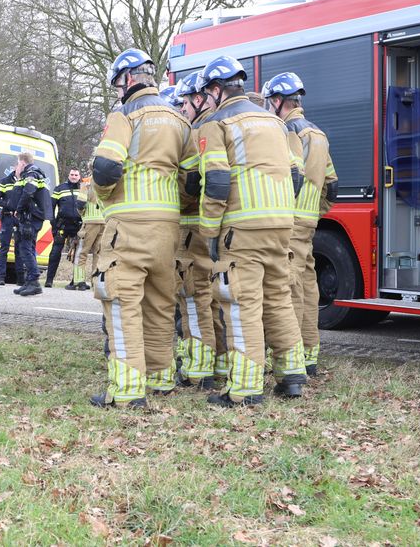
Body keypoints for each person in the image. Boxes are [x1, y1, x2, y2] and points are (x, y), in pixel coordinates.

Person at [192, 56, 307, 407]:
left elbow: (216, 180)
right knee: (278, 297)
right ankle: (291, 376)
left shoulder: (216, 123)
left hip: (241, 228)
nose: (205, 100)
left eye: (206, 93)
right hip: (281, 223)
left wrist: (209, 232)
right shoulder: (275, 122)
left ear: (216, 89)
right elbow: (296, 175)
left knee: (242, 303)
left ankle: (244, 389)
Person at [89, 47, 189, 408]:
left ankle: (128, 390)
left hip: (129, 226)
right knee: (161, 303)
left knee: (122, 303)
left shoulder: (124, 114)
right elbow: (193, 179)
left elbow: (105, 169)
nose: (118, 91)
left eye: (118, 84)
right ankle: (161, 379)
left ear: (128, 79)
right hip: (168, 228)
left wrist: (104, 196)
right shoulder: (179, 120)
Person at [263, 71, 338, 377]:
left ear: (279, 100)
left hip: (288, 221)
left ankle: (290, 360)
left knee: (288, 291)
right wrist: (314, 213)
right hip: (307, 223)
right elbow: (331, 185)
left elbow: (286, 176)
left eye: (270, 101)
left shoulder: (286, 131)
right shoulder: (318, 134)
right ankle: (308, 355)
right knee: (308, 288)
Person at [173, 72, 219, 389]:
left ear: (199, 99)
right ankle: (217, 364)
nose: (182, 109)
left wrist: (172, 200)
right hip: (212, 228)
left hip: (193, 227)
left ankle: (200, 370)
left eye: (185, 103)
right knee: (212, 299)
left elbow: (192, 183)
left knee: (194, 297)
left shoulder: (200, 130)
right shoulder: (220, 125)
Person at [12, 151, 50, 296]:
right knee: (29, 247)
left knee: (25, 248)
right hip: (32, 215)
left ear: (22, 163)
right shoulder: (34, 173)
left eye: (17, 164)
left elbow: (28, 192)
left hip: (30, 216)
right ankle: (29, 282)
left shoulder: (31, 174)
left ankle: (34, 280)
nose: (16, 167)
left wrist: (19, 209)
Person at [45, 169, 85, 288]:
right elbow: (51, 206)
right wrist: (53, 223)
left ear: (79, 176)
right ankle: (49, 280)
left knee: (78, 255)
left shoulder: (84, 189)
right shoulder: (60, 188)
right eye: (72, 174)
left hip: (78, 226)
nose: (73, 176)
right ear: (69, 175)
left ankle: (75, 281)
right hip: (62, 225)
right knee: (55, 253)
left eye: (76, 175)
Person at [0, 165, 25, 286]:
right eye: (20, 167)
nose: (22, 169)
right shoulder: (5, 181)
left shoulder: (25, 181)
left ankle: (20, 279)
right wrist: (7, 204)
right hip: (7, 217)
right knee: (4, 247)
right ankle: (1, 277)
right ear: (15, 168)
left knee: (19, 249)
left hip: (20, 218)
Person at [74, 173, 103, 292]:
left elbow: (81, 203)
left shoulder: (87, 182)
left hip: (90, 222)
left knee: (82, 253)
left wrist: (82, 213)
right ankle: (95, 282)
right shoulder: (107, 180)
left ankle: (79, 281)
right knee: (99, 254)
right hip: (104, 222)